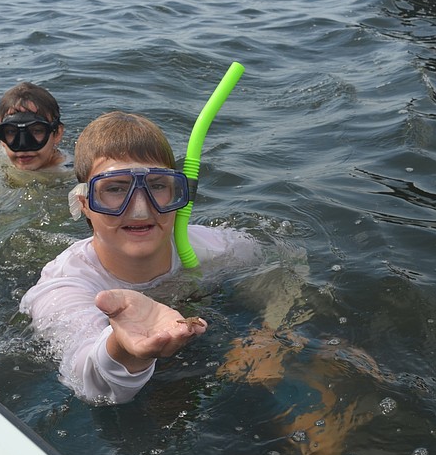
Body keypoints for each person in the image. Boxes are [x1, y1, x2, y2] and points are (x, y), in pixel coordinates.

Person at [19, 111, 260, 405]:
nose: (140, 209)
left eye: (157, 186)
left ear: (178, 194)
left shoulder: (218, 247)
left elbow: (279, 270)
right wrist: (122, 348)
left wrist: (270, 334)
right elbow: (86, 378)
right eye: (115, 189)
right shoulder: (63, 287)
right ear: (84, 204)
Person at [0, 82, 68, 171]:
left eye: (37, 131)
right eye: (11, 131)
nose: (23, 145)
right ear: (0, 138)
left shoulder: (70, 173)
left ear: (57, 134)